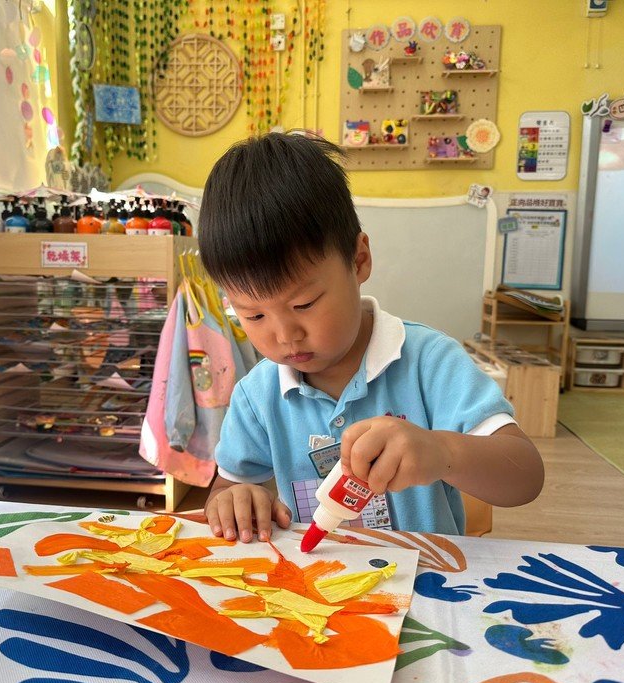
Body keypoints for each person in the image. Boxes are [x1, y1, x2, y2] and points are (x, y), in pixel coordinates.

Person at [196, 132, 544, 543]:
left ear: (359, 260)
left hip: (428, 577)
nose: (286, 335)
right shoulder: (258, 395)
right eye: (253, 315)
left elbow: (525, 476)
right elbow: (227, 487)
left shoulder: (430, 363)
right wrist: (234, 499)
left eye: (304, 304)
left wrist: (442, 452)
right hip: (317, 579)